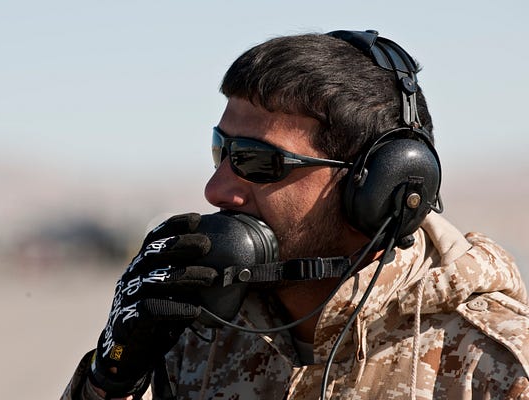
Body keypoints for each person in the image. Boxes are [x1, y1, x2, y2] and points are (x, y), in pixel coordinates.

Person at [61, 30, 529, 399]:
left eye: (257, 161)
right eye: (221, 150)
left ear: (376, 186)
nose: (215, 190)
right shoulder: (201, 327)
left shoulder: (495, 363)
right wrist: (111, 376)